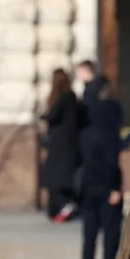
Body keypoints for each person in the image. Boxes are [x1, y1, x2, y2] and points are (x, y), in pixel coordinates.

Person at [77, 88, 128, 259]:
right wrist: (115, 188)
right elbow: (110, 165)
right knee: (110, 237)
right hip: (108, 192)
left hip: (88, 191)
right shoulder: (110, 136)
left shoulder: (86, 134)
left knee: (89, 237)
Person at [40, 68, 81, 224]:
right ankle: (57, 208)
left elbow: (53, 116)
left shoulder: (64, 97)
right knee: (56, 178)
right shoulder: (71, 97)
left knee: (54, 178)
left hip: (60, 145)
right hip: (66, 144)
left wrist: (42, 115)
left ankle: (65, 205)